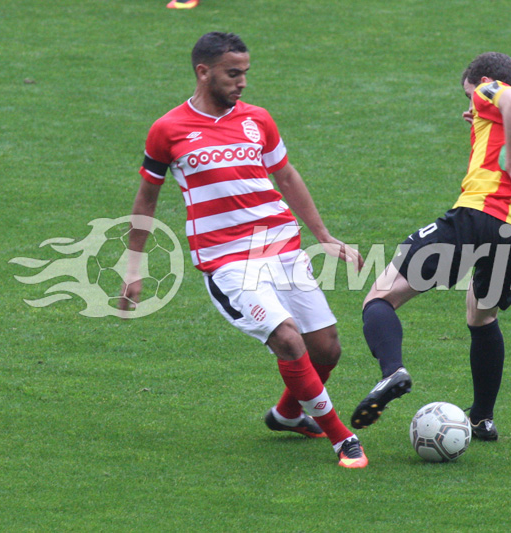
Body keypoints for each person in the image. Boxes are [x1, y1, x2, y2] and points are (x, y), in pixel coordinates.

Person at [122, 32, 368, 468]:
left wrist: (324, 235)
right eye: (233, 74)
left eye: (246, 74)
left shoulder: (258, 119)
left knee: (327, 349)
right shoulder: (168, 130)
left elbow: (286, 176)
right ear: (204, 72)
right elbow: (147, 198)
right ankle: (341, 438)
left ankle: (288, 415)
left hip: (283, 248)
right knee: (288, 340)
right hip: (227, 261)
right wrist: (133, 267)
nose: (242, 83)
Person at [351, 52, 511, 441]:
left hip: (478, 217)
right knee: (481, 316)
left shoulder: (491, 92)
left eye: (471, 96)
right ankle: (482, 418)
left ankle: (392, 370)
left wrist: (509, 162)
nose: (473, 102)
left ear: (483, 82)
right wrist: (482, 123)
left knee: (380, 296)